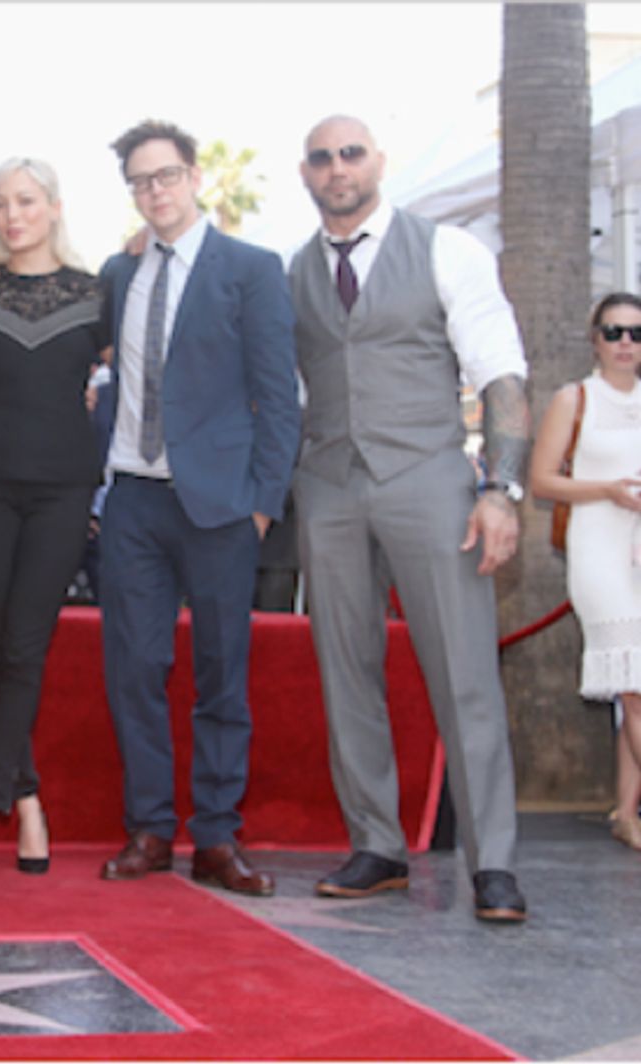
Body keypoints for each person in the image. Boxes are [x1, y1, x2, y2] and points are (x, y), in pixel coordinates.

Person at [288, 115, 531, 922]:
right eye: (322, 158)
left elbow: (501, 375)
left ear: (378, 163)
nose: (338, 169)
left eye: (350, 154)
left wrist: (501, 489)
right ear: (306, 173)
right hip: (328, 485)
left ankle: (493, 862)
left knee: (464, 673)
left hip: (430, 480)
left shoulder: (445, 249)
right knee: (345, 671)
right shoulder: (294, 271)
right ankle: (378, 846)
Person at [95, 121, 300, 897]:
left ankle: (216, 836)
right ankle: (149, 829)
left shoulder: (250, 269)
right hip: (132, 501)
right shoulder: (118, 273)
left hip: (222, 508)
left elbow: (279, 398)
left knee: (222, 675)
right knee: (134, 670)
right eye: (141, 181)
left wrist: (261, 506)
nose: (156, 191)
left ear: (194, 176)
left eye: (167, 175)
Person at [0, 157, 109, 880]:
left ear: (54, 206)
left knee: (27, 644)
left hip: (63, 492)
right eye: (0, 203)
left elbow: (136, 385)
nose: (12, 216)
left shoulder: (96, 295)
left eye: (26, 201)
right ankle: (29, 800)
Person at [529, 292, 641, 853]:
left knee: (636, 688)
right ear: (595, 339)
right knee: (635, 687)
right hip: (597, 547)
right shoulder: (573, 399)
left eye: (636, 333)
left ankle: (626, 813)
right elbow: (542, 480)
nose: (625, 343)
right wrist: (607, 491)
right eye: (613, 332)